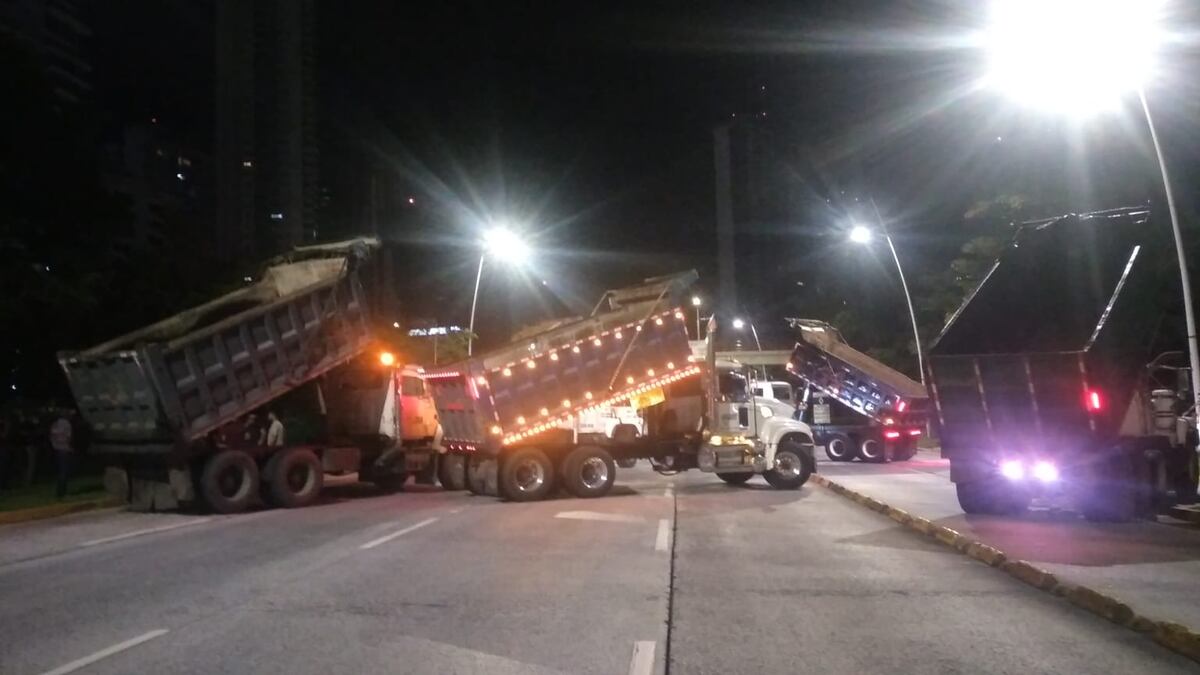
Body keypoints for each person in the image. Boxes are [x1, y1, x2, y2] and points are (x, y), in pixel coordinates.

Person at [49, 411, 74, 499]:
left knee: (60, 471)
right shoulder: (67, 424)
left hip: (56, 449)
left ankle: (59, 492)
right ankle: (63, 493)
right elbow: (68, 437)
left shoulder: (55, 424)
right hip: (64, 449)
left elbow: (52, 436)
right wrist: (69, 446)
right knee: (64, 471)